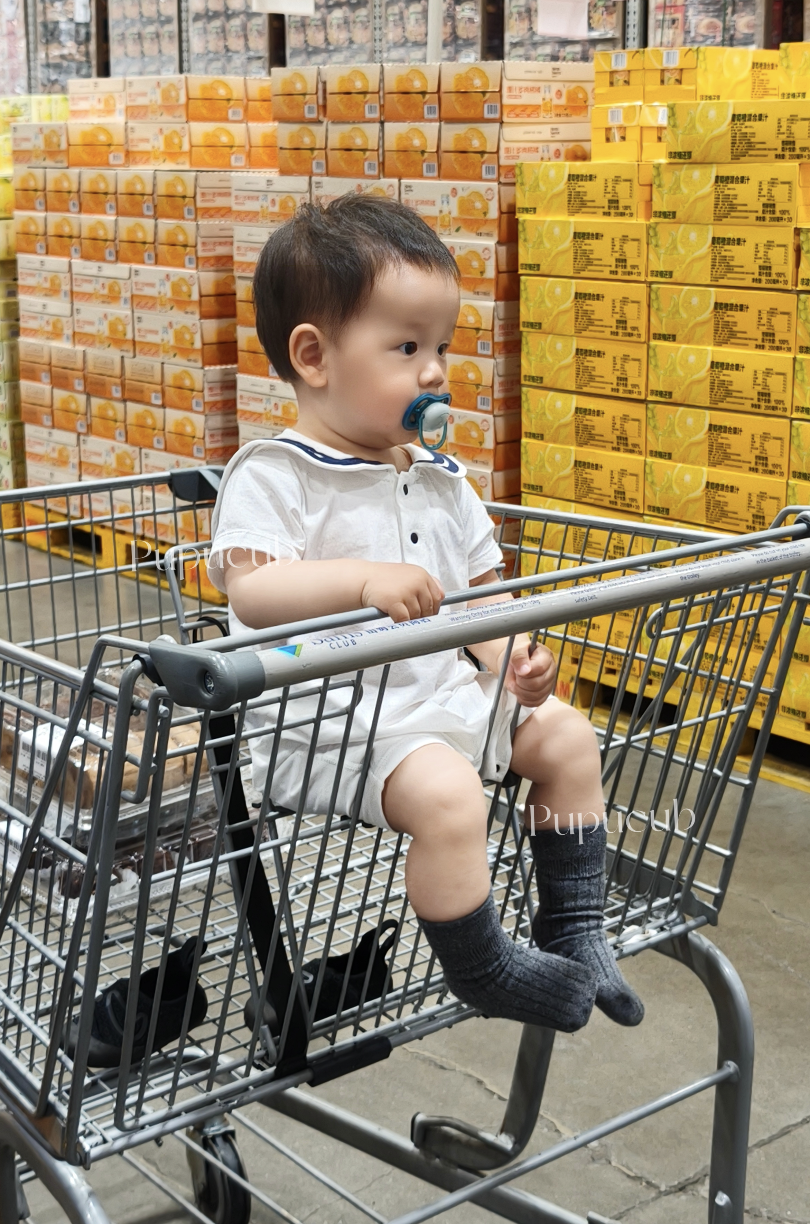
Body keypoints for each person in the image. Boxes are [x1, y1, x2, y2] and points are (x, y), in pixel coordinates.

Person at [207, 196, 643, 1034]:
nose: (435, 371)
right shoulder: (274, 475)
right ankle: (484, 967)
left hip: (435, 703)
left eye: (440, 346)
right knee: (451, 797)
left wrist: (514, 658)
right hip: (331, 727)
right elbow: (252, 593)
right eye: (406, 347)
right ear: (314, 356)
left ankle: (576, 928)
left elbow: (485, 598)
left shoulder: (443, 480)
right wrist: (362, 579)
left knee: (565, 736)